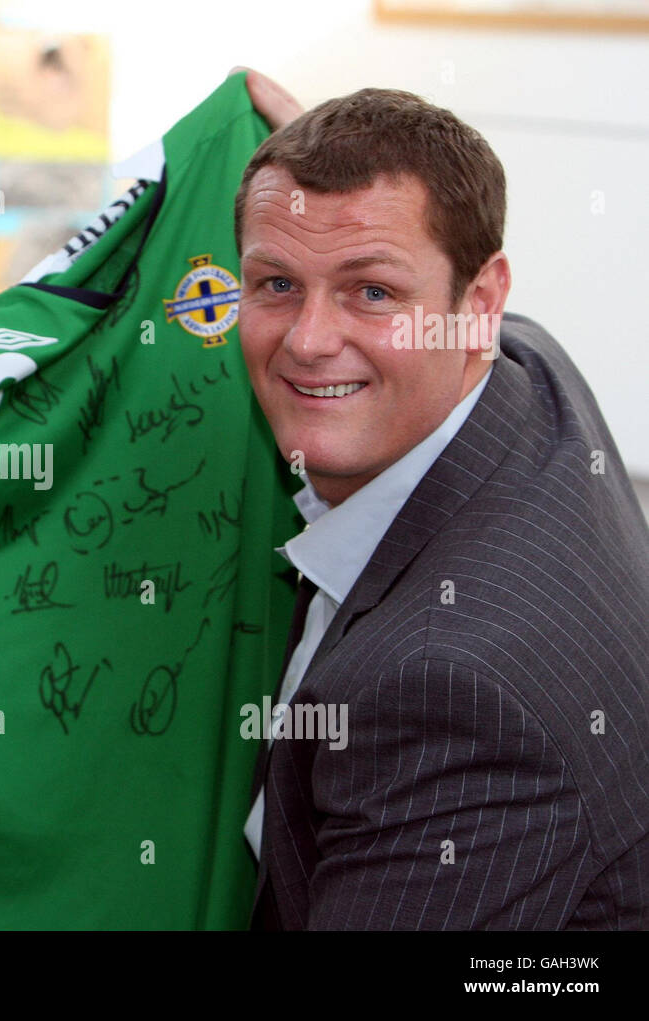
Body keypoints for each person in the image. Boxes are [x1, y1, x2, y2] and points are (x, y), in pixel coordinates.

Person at [235, 87, 649, 928]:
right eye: (277, 282)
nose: (309, 340)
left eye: (372, 293)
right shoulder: (529, 365)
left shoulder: (450, 697)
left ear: (479, 303)